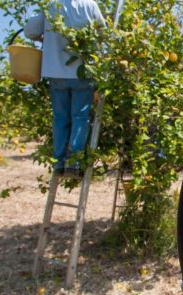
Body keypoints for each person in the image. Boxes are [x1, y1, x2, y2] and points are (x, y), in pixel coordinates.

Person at [24, 0, 106, 179]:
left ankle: (59, 162)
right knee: (80, 117)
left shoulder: (52, 5)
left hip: (56, 72)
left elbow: (30, 30)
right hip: (82, 71)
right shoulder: (89, 5)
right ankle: (74, 162)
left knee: (60, 118)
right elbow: (102, 32)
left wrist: (44, 36)